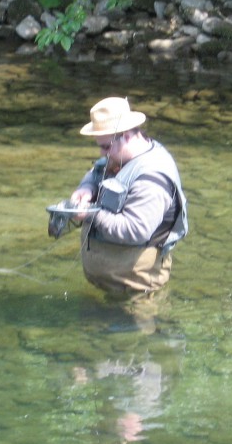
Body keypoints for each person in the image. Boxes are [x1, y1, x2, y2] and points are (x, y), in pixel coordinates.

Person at [68, 97, 188, 297]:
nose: (101, 153)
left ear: (125, 136)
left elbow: (135, 230)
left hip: (137, 293)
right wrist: (86, 188)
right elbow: (97, 170)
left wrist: (90, 214)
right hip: (110, 286)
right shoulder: (120, 155)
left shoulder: (151, 178)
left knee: (140, 329)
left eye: (105, 147)